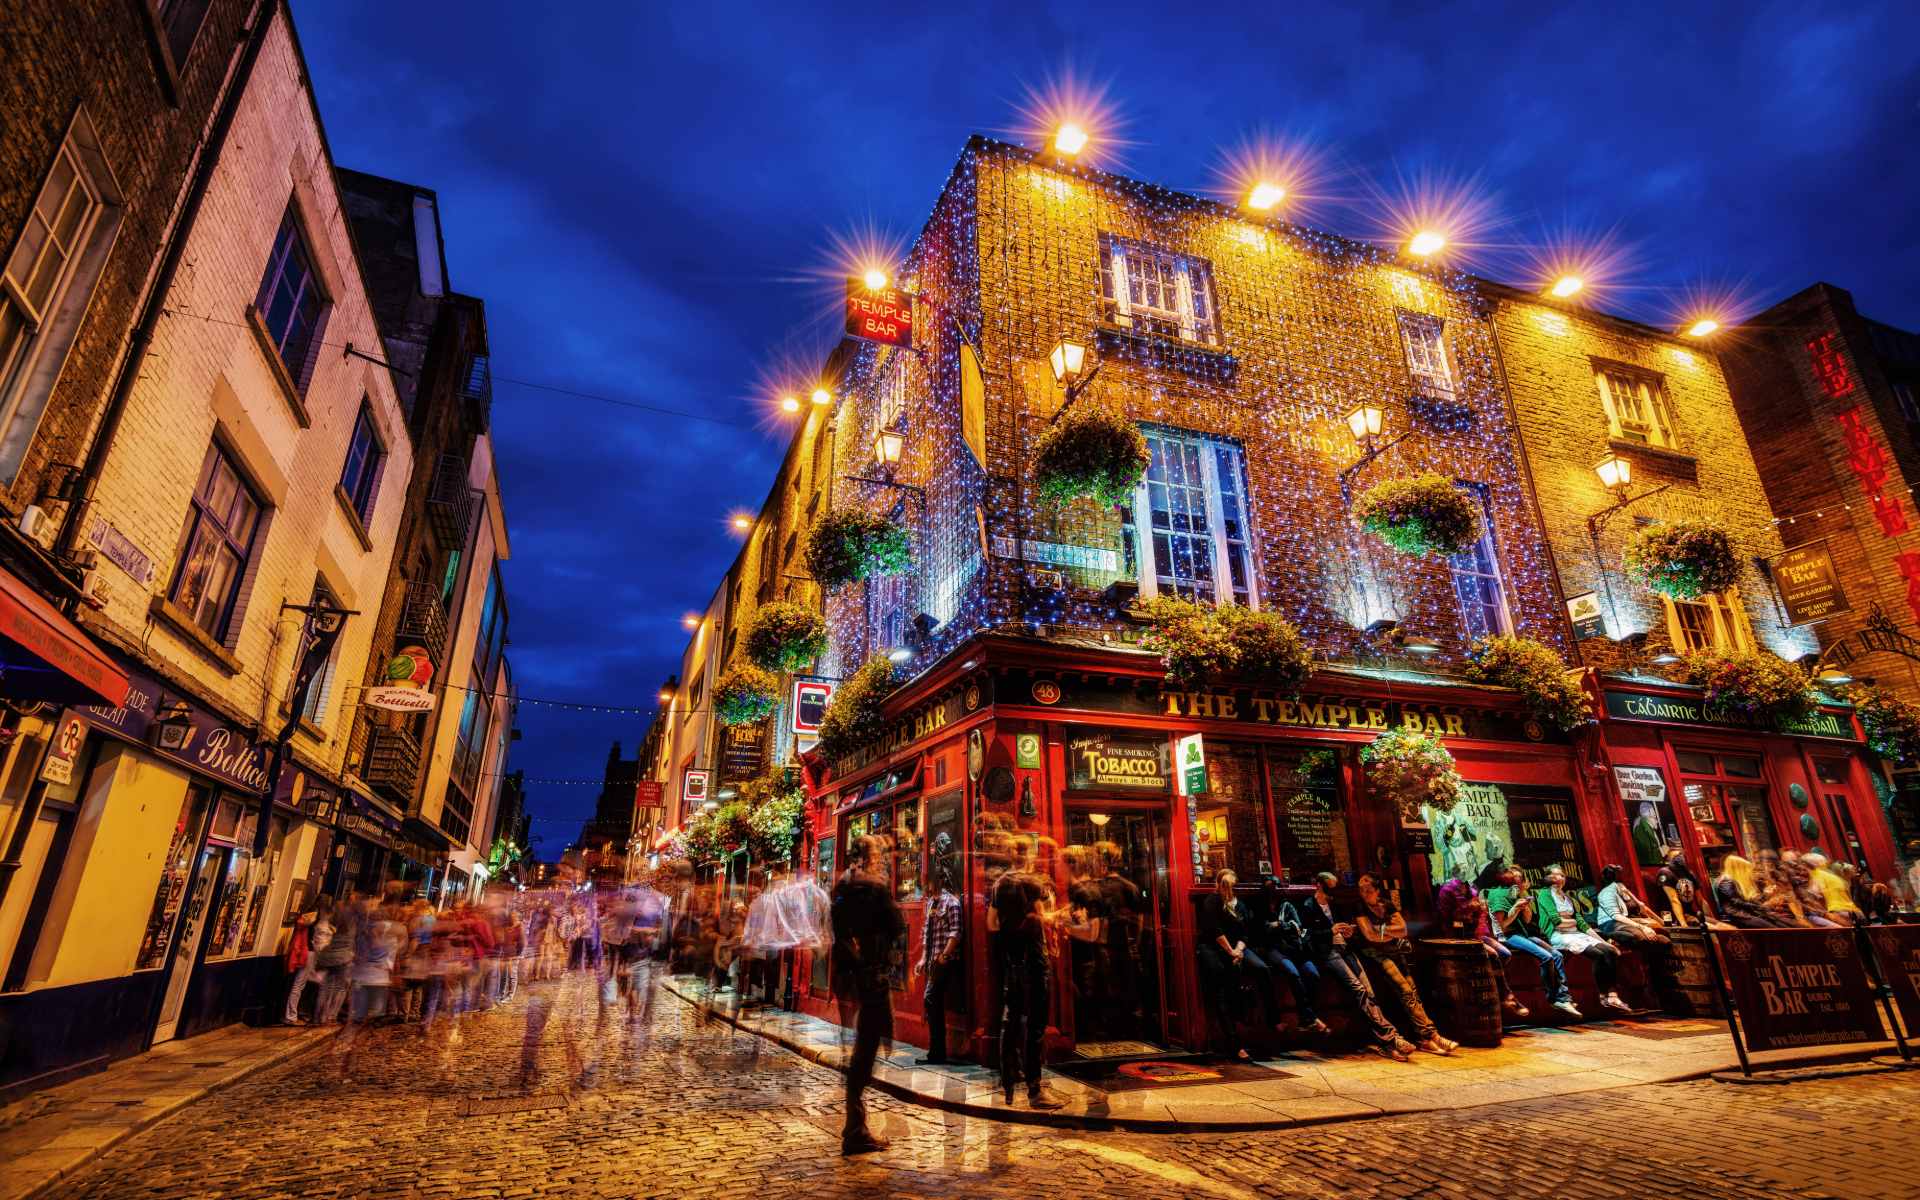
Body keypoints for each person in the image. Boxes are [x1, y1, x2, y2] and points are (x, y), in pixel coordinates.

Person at [831, 835, 906, 1155]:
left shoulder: (843, 888)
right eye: (877, 853)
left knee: (858, 1048)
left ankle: (855, 1124)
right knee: (866, 1049)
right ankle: (855, 1130)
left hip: (847, 978)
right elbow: (898, 928)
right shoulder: (875, 889)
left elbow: (836, 929)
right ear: (871, 856)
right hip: (872, 977)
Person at [1297, 872, 1413, 1060]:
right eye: (1329, 887)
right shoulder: (1308, 906)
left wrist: (1349, 931)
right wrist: (1330, 931)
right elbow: (1306, 936)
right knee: (1358, 989)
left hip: (1345, 948)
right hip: (1329, 952)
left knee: (1369, 990)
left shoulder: (1335, 904)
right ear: (1318, 885)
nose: (1332, 892)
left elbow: (1350, 927)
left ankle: (1386, 1040)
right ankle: (1391, 1039)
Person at [989, 838, 1064, 1108]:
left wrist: (1011, 936)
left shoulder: (1000, 884)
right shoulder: (1035, 884)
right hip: (1034, 960)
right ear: (1029, 854)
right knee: (1035, 1026)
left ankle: (1008, 1081)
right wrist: (1061, 915)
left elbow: (992, 923)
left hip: (1012, 963)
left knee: (1010, 1023)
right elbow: (1044, 919)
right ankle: (1035, 1090)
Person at [1352, 874, 1457, 1055]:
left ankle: (1425, 1038)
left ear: (1377, 890)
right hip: (1375, 954)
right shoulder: (1359, 907)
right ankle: (1431, 1035)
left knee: (1413, 991)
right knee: (1405, 990)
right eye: (1361, 889)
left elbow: (1403, 929)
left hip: (1395, 952)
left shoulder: (1387, 904)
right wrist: (1388, 932)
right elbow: (1370, 936)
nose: (1364, 893)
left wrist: (1381, 930)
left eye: (1368, 889)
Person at [1198, 870, 1282, 1058]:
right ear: (1219, 885)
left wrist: (1239, 950)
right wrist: (1231, 952)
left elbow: (1245, 933)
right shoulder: (1212, 901)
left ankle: (1273, 1018)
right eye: (1226, 886)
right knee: (1222, 988)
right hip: (1216, 949)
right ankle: (1235, 1043)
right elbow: (1215, 931)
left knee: (1262, 969)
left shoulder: (1240, 905)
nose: (1229, 890)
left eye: (1232, 886)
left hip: (1238, 948)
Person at [1483, 864, 1580, 1018]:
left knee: (1557, 955)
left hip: (1523, 933)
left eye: (1520, 879)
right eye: (1515, 878)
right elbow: (1502, 926)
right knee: (1546, 957)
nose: (1518, 881)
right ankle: (1554, 998)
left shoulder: (1516, 893)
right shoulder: (1497, 895)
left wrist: (1524, 906)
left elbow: (1527, 920)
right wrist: (1515, 909)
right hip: (1508, 936)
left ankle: (1563, 997)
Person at [1435, 870, 1527, 1019]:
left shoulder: (1472, 888)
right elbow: (1446, 918)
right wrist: (1469, 908)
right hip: (1457, 936)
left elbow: (1480, 916)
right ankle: (1507, 996)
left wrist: (1480, 910)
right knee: (1493, 955)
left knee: (1505, 954)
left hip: (1477, 934)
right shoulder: (1447, 890)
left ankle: (1498, 993)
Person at [1539, 865, 1629, 1013]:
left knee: (1609, 951)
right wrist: (1570, 921)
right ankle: (1602, 995)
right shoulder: (1545, 894)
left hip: (1576, 934)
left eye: (1562, 875)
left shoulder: (1568, 897)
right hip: (1559, 935)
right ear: (1548, 878)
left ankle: (1612, 995)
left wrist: (1604, 941)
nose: (1559, 879)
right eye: (1555, 876)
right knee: (1598, 954)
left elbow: (1581, 923)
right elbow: (1557, 922)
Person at [1257, 878, 1330, 1036]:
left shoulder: (1287, 905)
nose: (1276, 891)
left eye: (1277, 887)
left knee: (1313, 974)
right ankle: (1310, 1018)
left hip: (1294, 948)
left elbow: (1297, 927)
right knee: (1293, 973)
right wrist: (1283, 926)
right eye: (1272, 888)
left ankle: (1305, 1017)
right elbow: (1263, 931)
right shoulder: (1260, 908)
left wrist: (1278, 925)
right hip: (1273, 949)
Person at [915, 863, 965, 1065]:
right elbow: (927, 933)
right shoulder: (931, 904)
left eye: (927, 881)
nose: (925, 886)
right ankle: (937, 1051)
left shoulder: (951, 902)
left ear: (936, 881)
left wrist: (944, 956)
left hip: (944, 961)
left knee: (931, 1000)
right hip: (933, 960)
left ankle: (937, 1053)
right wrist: (923, 959)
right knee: (932, 1003)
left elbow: (956, 931)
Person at [283, 895, 334, 1025]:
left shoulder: (310, 916)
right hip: (309, 953)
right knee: (300, 984)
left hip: (308, 953)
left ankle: (298, 1013)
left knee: (304, 985)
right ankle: (291, 1016)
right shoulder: (315, 918)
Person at [1594, 865, 1671, 947]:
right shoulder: (1607, 894)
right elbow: (1617, 917)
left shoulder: (1622, 887)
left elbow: (1642, 906)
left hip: (1633, 920)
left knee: (1664, 931)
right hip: (1617, 923)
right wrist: (1643, 927)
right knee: (1660, 939)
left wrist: (1661, 922)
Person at [1712, 854, 1780, 928]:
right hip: (1737, 915)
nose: (1749, 872)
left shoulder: (1730, 881)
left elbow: (1743, 900)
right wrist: (1759, 907)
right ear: (1738, 869)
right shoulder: (1726, 882)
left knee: (1776, 921)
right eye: (1746, 869)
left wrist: (1762, 903)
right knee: (1772, 927)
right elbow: (1736, 902)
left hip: (1743, 913)